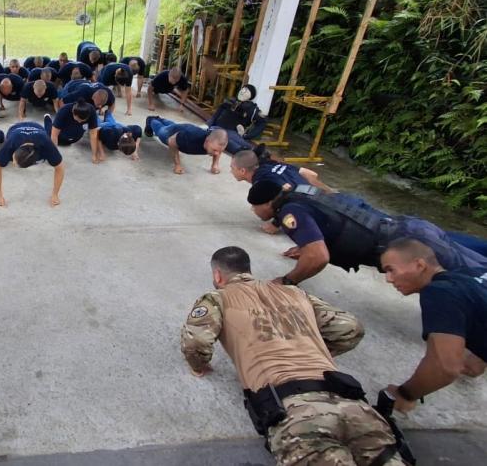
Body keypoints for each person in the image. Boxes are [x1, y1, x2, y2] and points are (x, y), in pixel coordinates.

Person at [182, 246, 405, 466]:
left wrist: (199, 365)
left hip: (297, 413)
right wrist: (316, 348)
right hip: (352, 404)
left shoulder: (217, 298)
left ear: (217, 275)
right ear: (249, 270)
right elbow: (350, 327)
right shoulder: (293, 291)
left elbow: (196, 342)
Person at [246, 182, 487, 285]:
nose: (254, 211)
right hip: (409, 228)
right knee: (479, 267)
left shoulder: (290, 213)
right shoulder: (301, 193)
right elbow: (334, 214)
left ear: (267, 204)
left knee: (474, 283)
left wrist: (288, 281)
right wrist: (306, 243)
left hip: (405, 245)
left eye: (254, 207)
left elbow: (318, 257)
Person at [379, 238, 487, 413]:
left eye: (391, 270)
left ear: (419, 265)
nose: (388, 279)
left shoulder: (441, 292)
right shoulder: (472, 272)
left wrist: (405, 394)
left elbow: (445, 367)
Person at [0, 121, 65, 207]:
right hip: (15, 128)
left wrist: (55, 194)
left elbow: (60, 167)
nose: (13, 163)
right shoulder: (11, 142)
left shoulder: (46, 143)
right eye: (13, 158)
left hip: (38, 128)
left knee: (52, 157)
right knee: (3, 156)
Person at [145, 117, 227, 175]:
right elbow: (171, 141)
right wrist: (177, 165)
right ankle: (151, 119)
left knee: (173, 126)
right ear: (207, 141)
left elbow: (218, 149)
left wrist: (215, 165)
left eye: (219, 150)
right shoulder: (192, 136)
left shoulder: (215, 142)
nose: (217, 153)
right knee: (161, 130)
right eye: (215, 150)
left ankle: (161, 119)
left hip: (182, 129)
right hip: (171, 134)